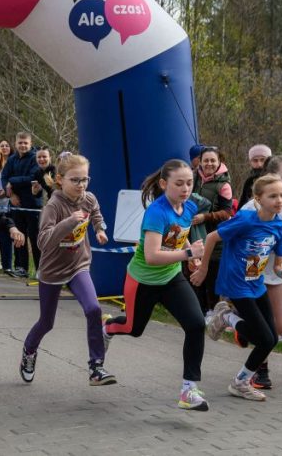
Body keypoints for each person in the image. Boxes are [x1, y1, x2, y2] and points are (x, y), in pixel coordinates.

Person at [103, 159, 208, 411]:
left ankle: (188, 390)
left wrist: (190, 255)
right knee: (133, 328)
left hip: (171, 278)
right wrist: (189, 254)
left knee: (196, 324)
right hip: (143, 281)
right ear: (163, 184)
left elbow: (179, 235)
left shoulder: (189, 207)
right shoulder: (156, 212)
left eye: (189, 183)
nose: (185, 189)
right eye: (179, 183)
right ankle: (106, 327)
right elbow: (152, 256)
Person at [193, 174, 282, 401]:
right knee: (264, 339)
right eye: (273, 196)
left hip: (256, 283)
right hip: (235, 283)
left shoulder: (280, 227)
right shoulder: (245, 220)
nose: (279, 200)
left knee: (271, 339)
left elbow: (278, 264)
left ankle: (226, 318)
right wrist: (203, 269)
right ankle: (240, 382)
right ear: (258, 198)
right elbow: (212, 238)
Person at [20, 154, 114, 386]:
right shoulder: (53, 206)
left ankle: (96, 367)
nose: (81, 185)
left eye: (85, 179)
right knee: (46, 322)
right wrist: (70, 222)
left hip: (78, 265)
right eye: (75, 180)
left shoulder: (88, 198)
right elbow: (42, 242)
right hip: (53, 270)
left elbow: (96, 213)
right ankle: (29, 350)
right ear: (60, 179)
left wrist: (100, 229)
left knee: (93, 309)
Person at [235, 154, 282, 389]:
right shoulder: (251, 207)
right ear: (271, 177)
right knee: (265, 330)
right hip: (253, 271)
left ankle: (237, 323)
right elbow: (233, 238)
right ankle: (260, 371)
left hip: (277, 272)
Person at [190, 147, 234, 313]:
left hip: (215, 239)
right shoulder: (193, 177)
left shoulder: (224, 185)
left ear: (219, 162)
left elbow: (227, 213)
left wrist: (205, 217)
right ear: (200, 162)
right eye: (206, 160)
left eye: (212, 160)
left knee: (211, 277)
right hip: (194, 235)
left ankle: (213, 312)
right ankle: (198, 311)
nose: (209, 164)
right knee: (193, 273)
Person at [2, 132, 42, 277]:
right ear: (16, 143)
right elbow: (4, 177)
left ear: (30, 144)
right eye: (20, 143)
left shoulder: (35, 158)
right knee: (19, 236)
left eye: (25, 143)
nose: (23, 145)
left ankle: (40, 269)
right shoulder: (12, 159)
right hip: (16, 204)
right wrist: (11, 195)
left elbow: (32, 178)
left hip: (32, 205)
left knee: (35, 238)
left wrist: (12, 181)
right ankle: (21, 268)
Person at [238, 144, 271, 209]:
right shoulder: (249, 181)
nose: (259, 164)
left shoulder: (276, 178)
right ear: (250, 162)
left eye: (263, 160)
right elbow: (242, 205)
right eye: (255, 160)